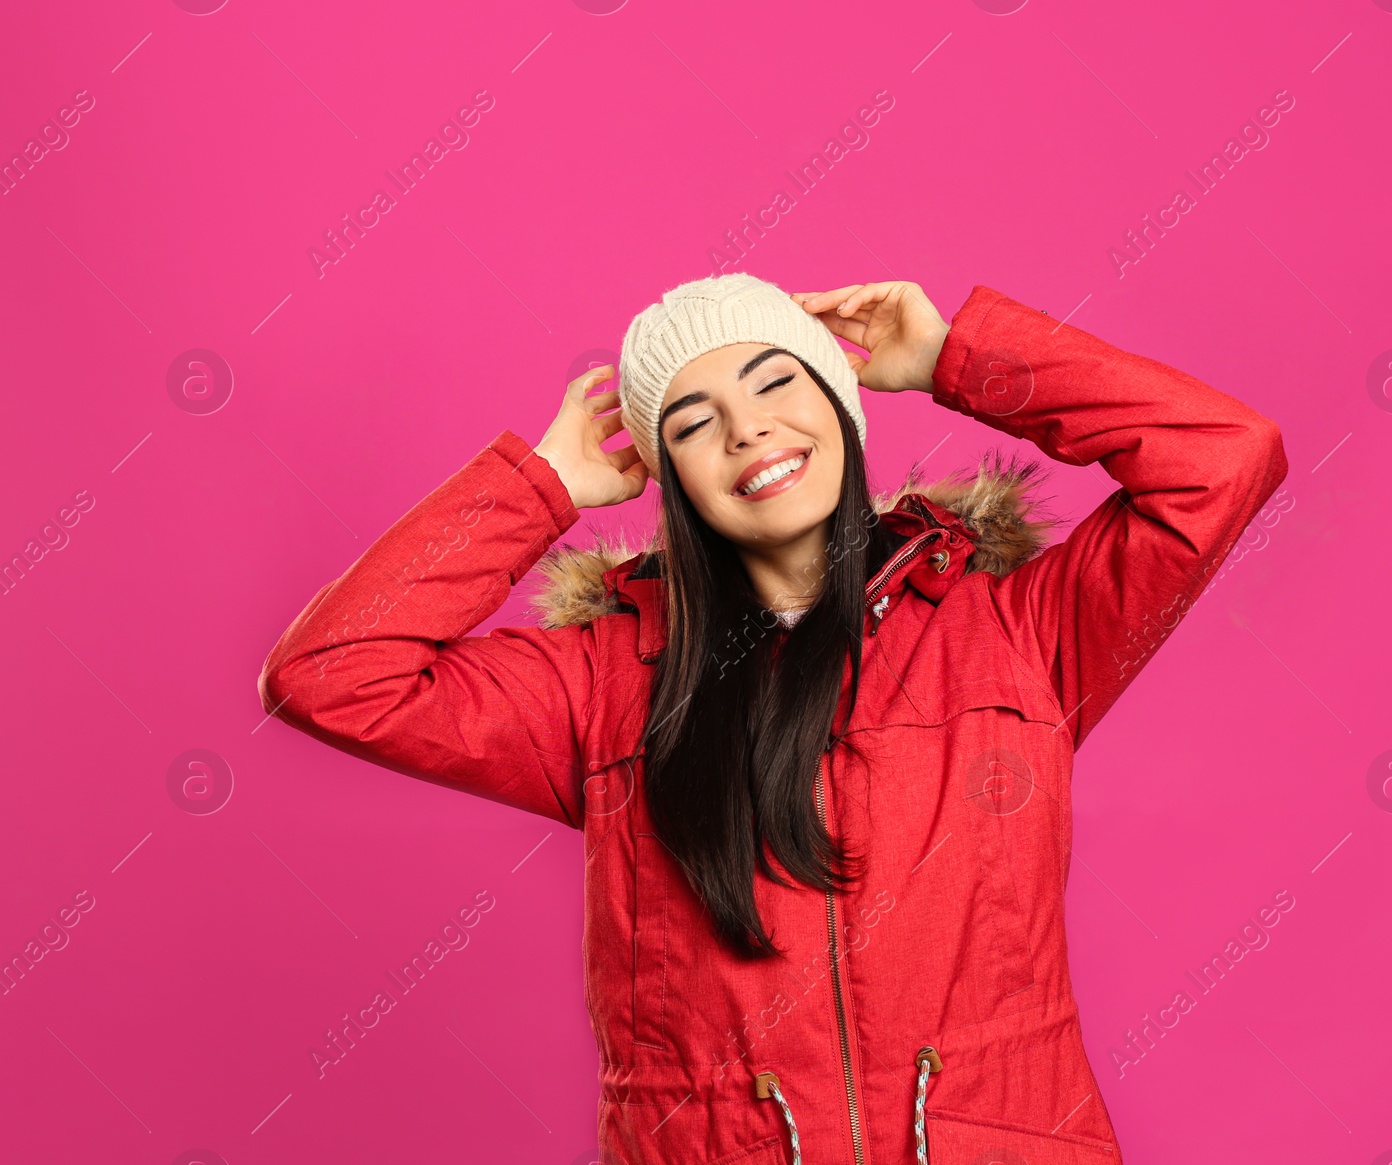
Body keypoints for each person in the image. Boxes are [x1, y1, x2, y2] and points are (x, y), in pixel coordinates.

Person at [258, 275, 1288, 1165]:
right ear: (669, 479)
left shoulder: (1015, 629)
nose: (748, 429)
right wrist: (538, 489)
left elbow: (1224, 457)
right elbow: (331, 673)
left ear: (840, 404)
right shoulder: (603, 681)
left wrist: (954, 356)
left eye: (776, 384)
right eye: (693, 421)